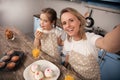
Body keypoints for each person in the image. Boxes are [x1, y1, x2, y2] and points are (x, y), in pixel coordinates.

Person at [60, 7, 120, 80]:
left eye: (71, 20)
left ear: (79, 21)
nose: (68, 25)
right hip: (72, 76)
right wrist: (65, 65)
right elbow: (68, 55)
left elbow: (107, 44)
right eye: (64, 23)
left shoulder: (90, 38)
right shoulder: (68, 39)